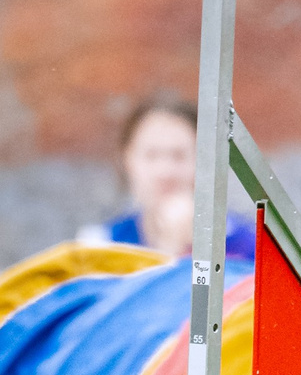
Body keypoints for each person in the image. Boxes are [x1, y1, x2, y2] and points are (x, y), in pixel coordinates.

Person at [85, 95, 257, 259]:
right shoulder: (101, 247)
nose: (165, 172)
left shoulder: (245, 247)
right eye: (151, 155)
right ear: (127, 159)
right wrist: (169, 246)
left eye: (179, 155)